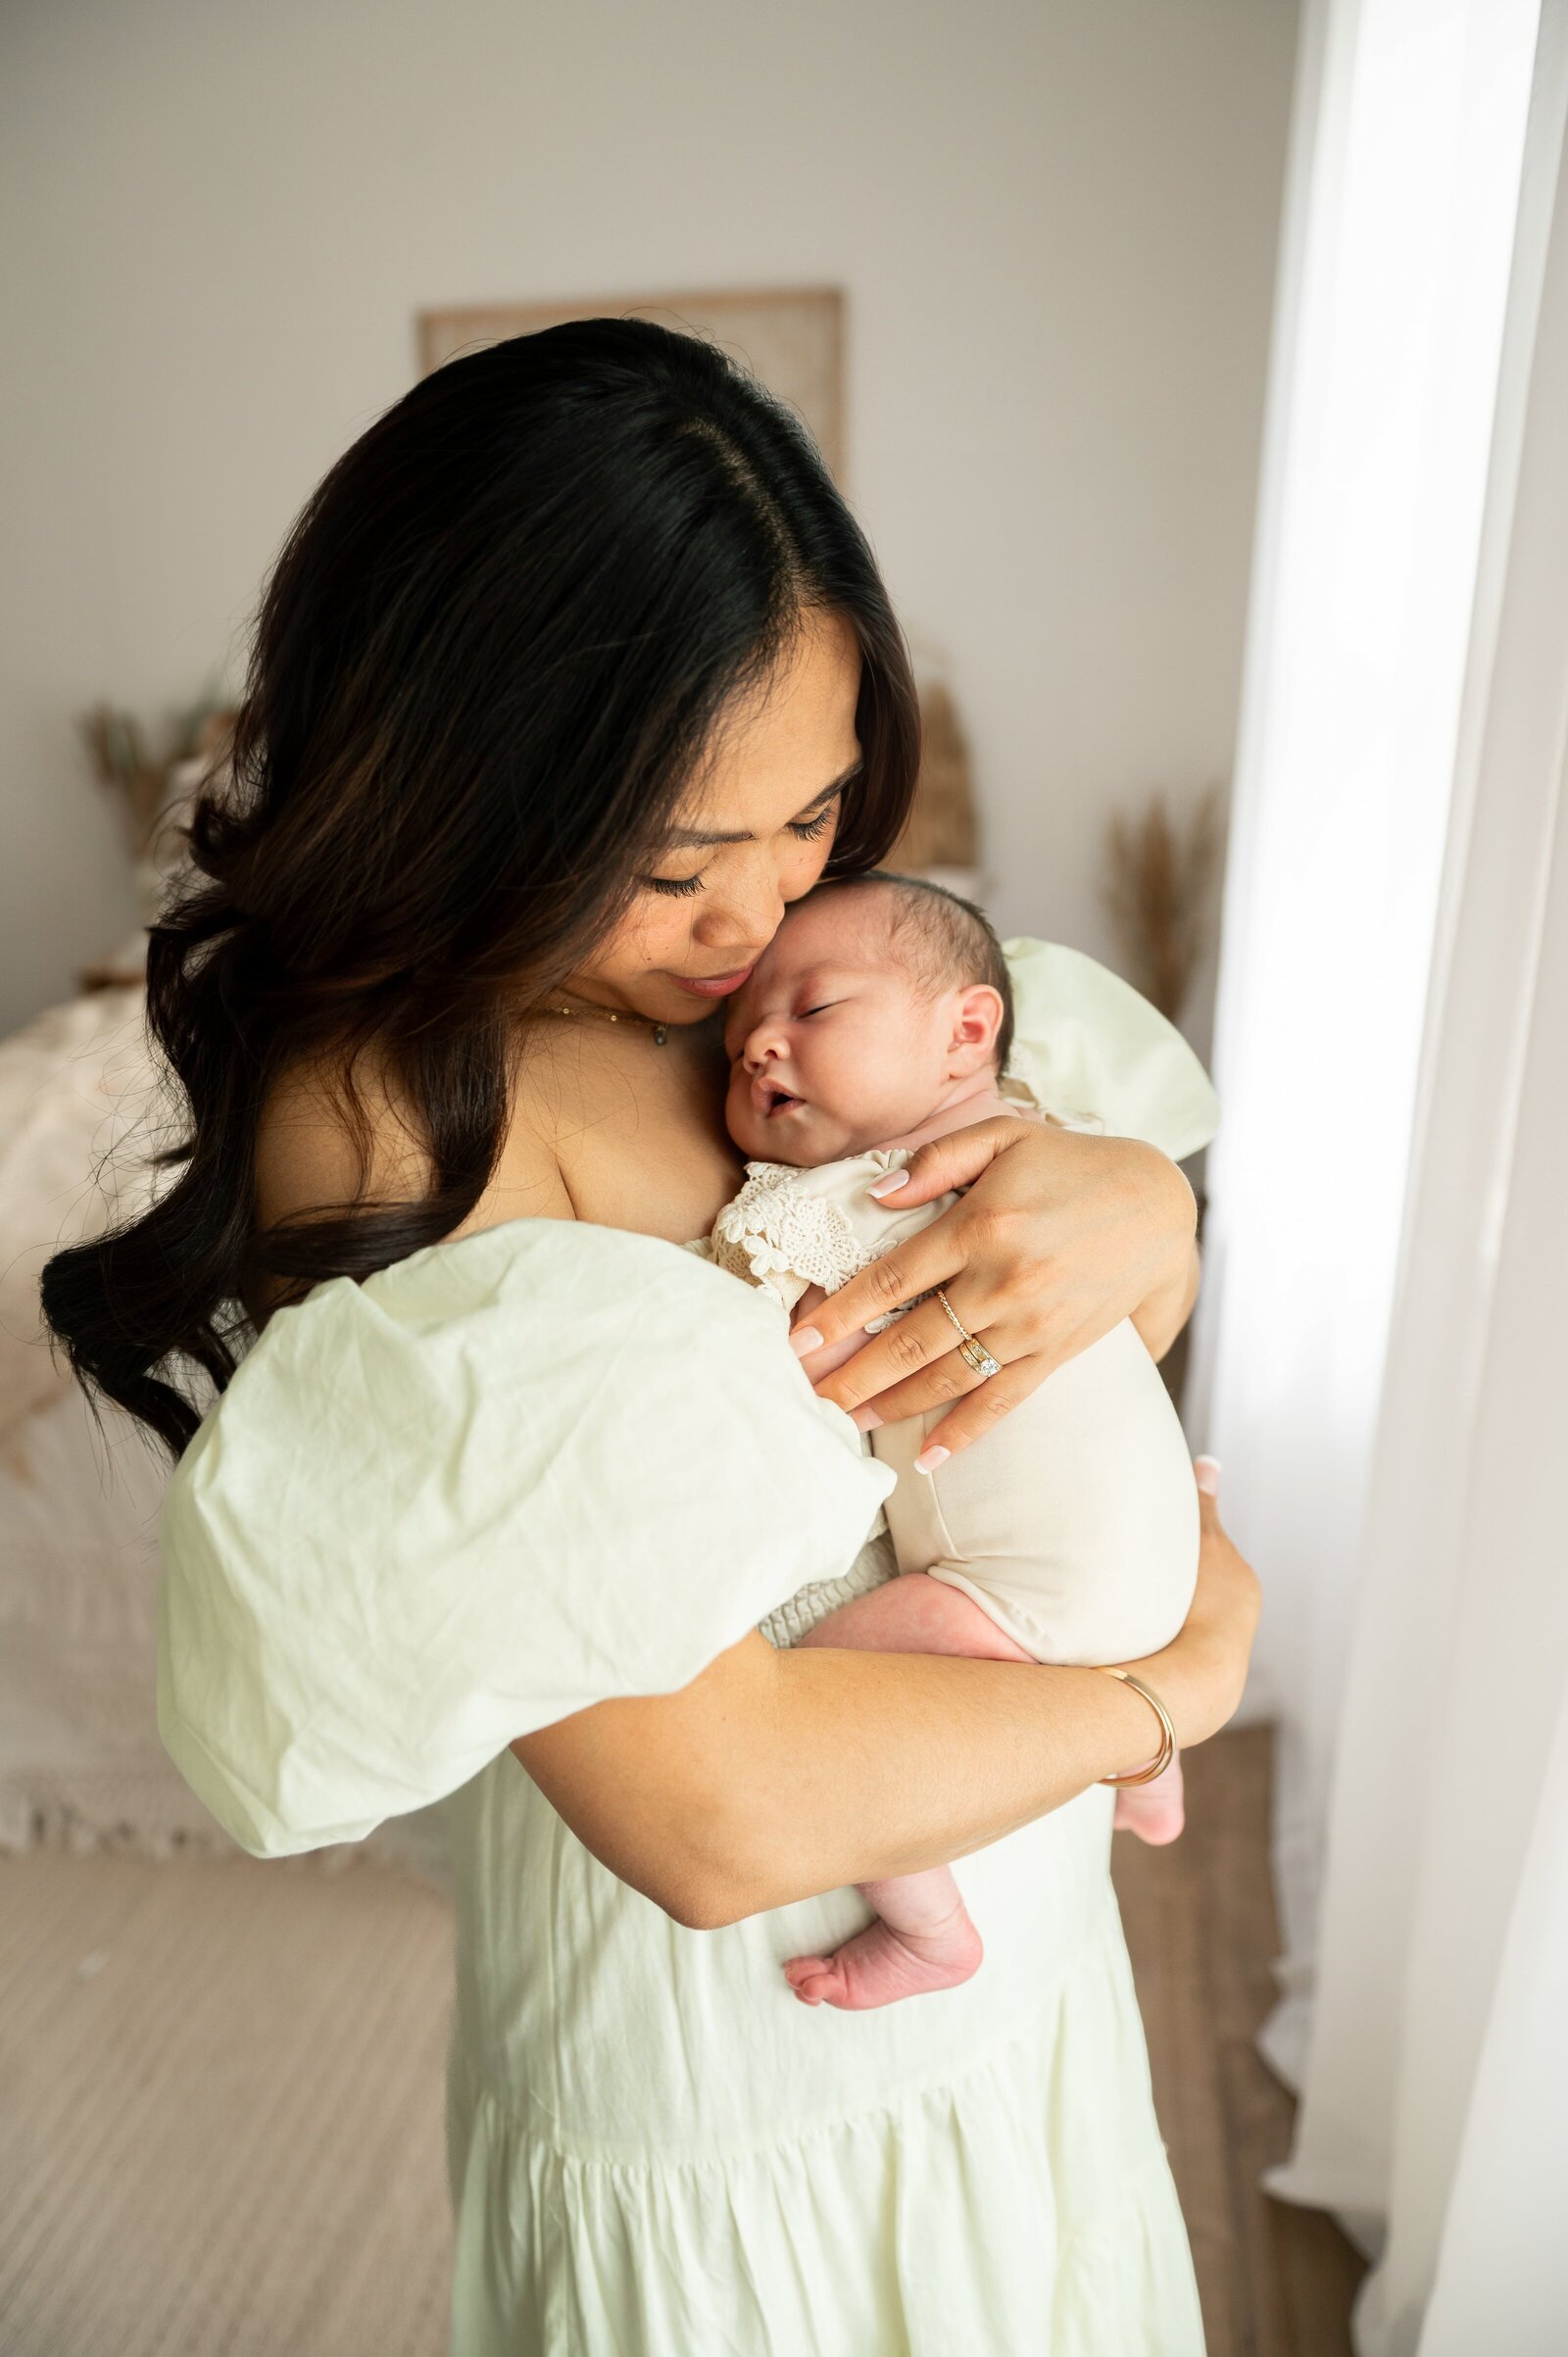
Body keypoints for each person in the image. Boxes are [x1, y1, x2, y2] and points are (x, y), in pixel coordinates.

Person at [41, 319, 1258, 2356]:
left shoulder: (792, 989)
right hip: (728, 2085)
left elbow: (1076, 1307)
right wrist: (1176, 1679)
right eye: (677, 856)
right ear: (462, 781)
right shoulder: (390, 1116)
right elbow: (722, 1817)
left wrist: (1130, 1208)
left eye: (809, 820)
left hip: (1014, 1971)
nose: (755, 919)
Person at [708, 870, 1198, 2012]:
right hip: (1153, 1544)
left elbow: (797, 1368)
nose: (759, 1049)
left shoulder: (864, 1201)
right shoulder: (1049, 1153)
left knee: (815, 1709)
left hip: (1028, 1593)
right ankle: (1153, 1763)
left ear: (966, 1030)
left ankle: (927, 1927)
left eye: (811, 1010)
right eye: (735, 1043)